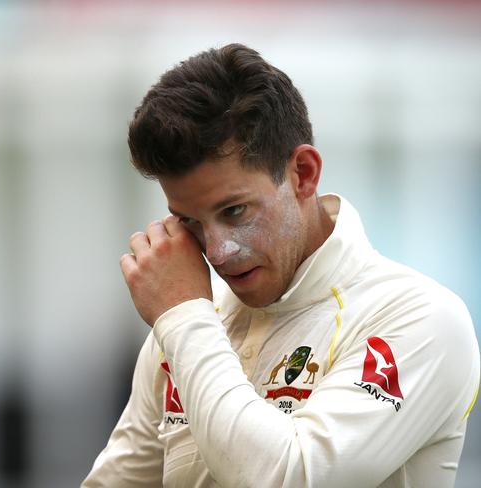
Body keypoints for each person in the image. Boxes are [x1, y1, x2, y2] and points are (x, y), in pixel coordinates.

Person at [82, 43, 479, 487]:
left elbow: (290, 478)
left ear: (303, 173)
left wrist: (183, 319)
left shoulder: (421, 318)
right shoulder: (191, 320)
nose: (216, 252)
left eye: (234, 211)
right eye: (190, 222)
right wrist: (186, 321)